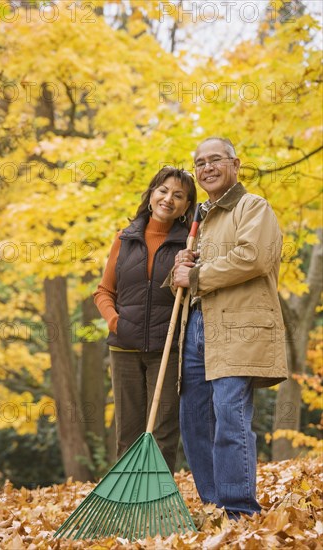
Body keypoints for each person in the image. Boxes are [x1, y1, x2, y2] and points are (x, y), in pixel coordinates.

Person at [171, 137, 288, 518]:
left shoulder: (253, 207)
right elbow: (189, 279)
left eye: (215, 159)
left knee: (229, 416)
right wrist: (180, 270)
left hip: (239, 326)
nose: (206, 167)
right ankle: (215, 505)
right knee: (193, 420)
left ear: (235, 164)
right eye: (200, 162)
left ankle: (240, 511)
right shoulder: (200, 219)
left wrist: (198, 274)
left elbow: (252, 258)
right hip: (198, 325)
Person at [93, 166, 197, 474]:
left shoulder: (189, 246)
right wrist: (116, 323)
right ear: (151, 195)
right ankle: (127, 503)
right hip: (124, 349)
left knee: (162, 435)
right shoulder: (125, 239)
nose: (169, 199)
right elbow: (103, 292)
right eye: (163, 191)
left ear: (187, 206)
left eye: (179, 196)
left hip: (167, 351)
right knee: (128, 433)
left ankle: (157, 505)